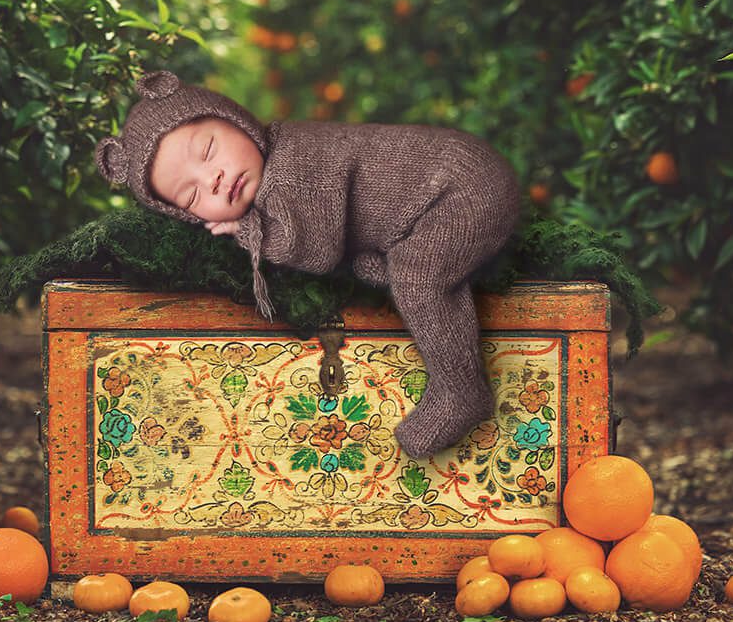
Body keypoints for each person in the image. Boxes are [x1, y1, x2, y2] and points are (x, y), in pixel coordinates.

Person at [94, 69, 522, 458]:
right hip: (425, 204)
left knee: (418, 279)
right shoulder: (275, 160)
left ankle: (461, 391)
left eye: (208, 150)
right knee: (381, 267)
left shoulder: (294, 166)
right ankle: (399, 268)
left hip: (462, 188)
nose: (214, 179)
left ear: (234, 119)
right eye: (192, 196)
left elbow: (315, 251)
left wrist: (247, 232)